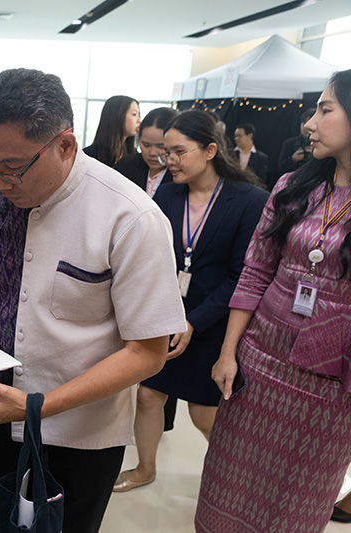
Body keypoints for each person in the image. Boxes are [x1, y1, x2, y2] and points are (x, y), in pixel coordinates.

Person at [0, 68, 187, 533]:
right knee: (5, 522)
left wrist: (38, 406)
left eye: (13, 167)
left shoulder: (130, 217)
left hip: (83, 430)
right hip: (3, 407)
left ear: (65, 145)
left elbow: (148, 352)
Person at [196, 69, 351, 533]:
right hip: (261, 361)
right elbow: (257, 269)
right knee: (230, 476)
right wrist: (228, 353)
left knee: (301, 492)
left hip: (332, 381)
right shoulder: (293, 186)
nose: (310, 123)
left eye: (325, 110)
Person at [112, 110, 268, 493]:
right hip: (169, 315)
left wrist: (195, 320)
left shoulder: (249, 201)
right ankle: (145, 468)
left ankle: (237, 480)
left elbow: (242, 276)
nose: (170, 161)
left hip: (215, 321)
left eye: (179, 152)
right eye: (166, 152)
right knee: (148, 394)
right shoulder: (167, 192)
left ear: (211, 149)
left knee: (205, 413)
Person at [115, 107, 177, 198]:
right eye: (146, 145)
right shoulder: (125, 167)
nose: (152, 153)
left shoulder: (181, 175)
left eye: (161, 147)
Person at [83, 95, 140, 167]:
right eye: (134, 114)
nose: (139, 120)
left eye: (139, 115)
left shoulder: (134, 155)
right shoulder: (88, 156)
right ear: (117, 116)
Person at [277, 107, 316, 179]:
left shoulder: (322, 145)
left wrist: (315, 156)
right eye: (305, 123)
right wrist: (293, 159)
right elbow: (280, 168)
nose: (307, 127)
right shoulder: (289, 143)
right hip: (293, 181)